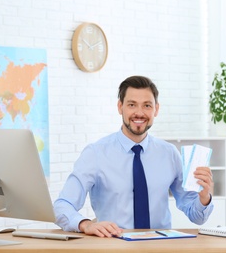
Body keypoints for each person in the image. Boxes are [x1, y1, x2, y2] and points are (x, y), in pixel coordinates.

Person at [53, 75, 214, 238]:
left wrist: (204, 197)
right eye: (132, 105)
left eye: (147, 105)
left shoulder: (169, 154)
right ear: (120, 107)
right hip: (114, 246)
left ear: (156, 109)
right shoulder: (96, 154)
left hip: (161, 247)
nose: (139, 113)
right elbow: (62, 206)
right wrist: (85, 224)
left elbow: (197, 217)